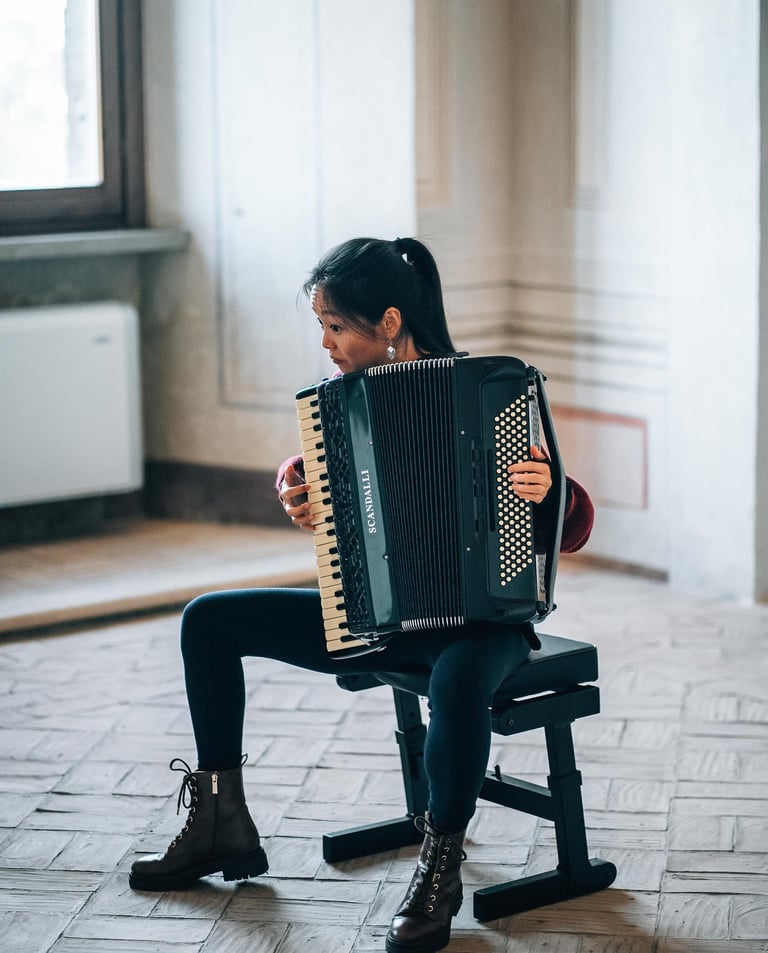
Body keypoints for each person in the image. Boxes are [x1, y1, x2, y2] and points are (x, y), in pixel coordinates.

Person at [129, 237, 594, 953]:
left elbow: (574, 520)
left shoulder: (488, 394)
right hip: (375, 618)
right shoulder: (344, 401)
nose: (326, 343)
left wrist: (548, 491)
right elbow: (314, 465)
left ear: (388, 322)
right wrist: (298, 483)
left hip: (484, 624)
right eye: (321, 326)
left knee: (458, 681)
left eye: (335, 326)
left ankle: (439, 869)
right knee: (208, 622)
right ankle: (222, 822)